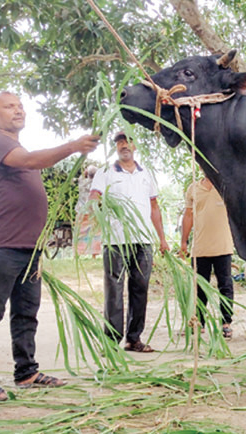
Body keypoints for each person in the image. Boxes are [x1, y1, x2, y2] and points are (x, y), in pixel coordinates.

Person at [0, 91, 100, 403]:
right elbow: (30, 161)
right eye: (9, 106)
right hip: (3, 245)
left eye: (20, 105)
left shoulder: (17, 146)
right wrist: (72, 146)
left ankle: (26, 371)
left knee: (26, 314)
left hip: (30, 247)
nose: (18, 110)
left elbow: (33, 163)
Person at [89, 131, 169, 352]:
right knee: (114, 291)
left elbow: (154, 207)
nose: (124, 145)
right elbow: (94, 200)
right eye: (120, 142)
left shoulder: (147, 174)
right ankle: (110, 341)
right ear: (116, 147)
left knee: (140, 289)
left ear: (135, 145)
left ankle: (134, 339)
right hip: (115, 241)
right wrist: (100, 214)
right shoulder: (105, 172)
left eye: (128, 141)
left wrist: (162, 239)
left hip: (142, 241)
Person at [180, 176, 235, 339]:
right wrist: (183, 241)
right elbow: (188, 215)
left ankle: (226, 323)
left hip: (223, 246)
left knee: (225, 285)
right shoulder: (193, 188)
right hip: (200, 247)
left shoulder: (225, 185)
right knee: (199, 287)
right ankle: (199, 322)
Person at [75, 165, 101, 258]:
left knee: (80, 233)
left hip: (81, 211)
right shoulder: (97, 185)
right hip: (93, 212)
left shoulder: (82, 182)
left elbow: (80, 177)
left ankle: (78, 254)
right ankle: (94, 254)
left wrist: (85, 171)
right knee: (96, 233)